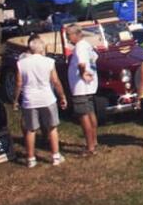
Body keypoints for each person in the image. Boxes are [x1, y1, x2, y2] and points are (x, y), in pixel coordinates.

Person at [15, 36, 68, 167]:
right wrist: (62, 96)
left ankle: (30, 158)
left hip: (29, 99)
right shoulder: (49, 62)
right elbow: (55, 81)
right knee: (52, 128)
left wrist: (15, 100)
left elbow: (19, 83)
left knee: (30, 130)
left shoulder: (21, 63)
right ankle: (56, 156)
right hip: (47, 98)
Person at [65, 24, 99, 156]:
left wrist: (83, 73)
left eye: (68, 35)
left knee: (83, 115)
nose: (68, 38)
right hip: (90, 86)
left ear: (76, 34)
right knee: (91, 112)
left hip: (81, 87)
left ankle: (90, 147)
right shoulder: (87, 45)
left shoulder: (79, 47)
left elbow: (82, 63)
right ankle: (94, 140)